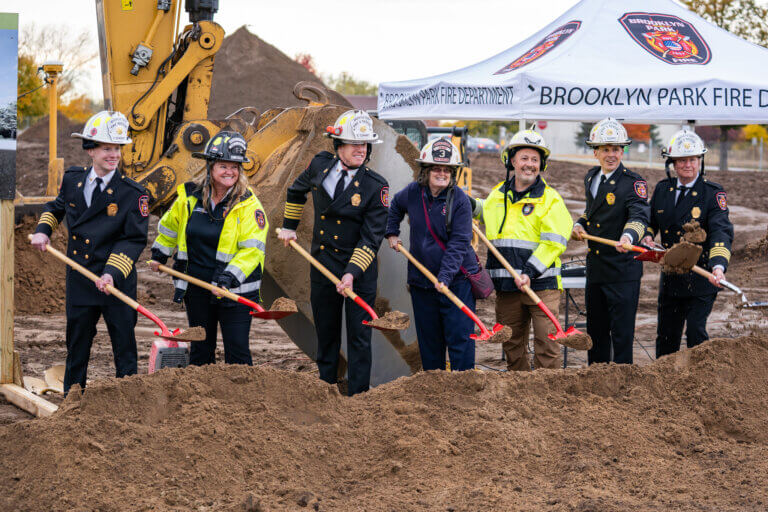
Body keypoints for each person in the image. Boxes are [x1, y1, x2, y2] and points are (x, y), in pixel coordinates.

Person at [30, 111, 148, 394]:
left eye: (118, 149)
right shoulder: (73, 180)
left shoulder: (133, 193)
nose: (114, 155)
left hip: (115, 281)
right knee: (78, 343)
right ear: (91, 149)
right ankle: (73, 400)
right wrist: (44, 229)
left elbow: (133, 239)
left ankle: (128, 400)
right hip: (81, 279)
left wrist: (110, 274)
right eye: (107, 148)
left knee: (124, 346)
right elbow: (56, 207)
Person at [277, 110, 389, 396]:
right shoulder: (319, 165)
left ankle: (359, 394)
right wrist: (289, 227)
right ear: (337, 146)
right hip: (323, 264)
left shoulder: (376, 187)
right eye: (354, 144)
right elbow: (295, 191)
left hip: (358, 272)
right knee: (325, 330)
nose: (360, 150)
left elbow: (371, 239)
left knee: (359, 335)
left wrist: (351, 274)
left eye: (364, 145)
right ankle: (326, 387)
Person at [149, 130, 268, 366]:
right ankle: (201, 402)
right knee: (201, 352)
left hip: (235, 291)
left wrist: (227, 279)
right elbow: (170, 227)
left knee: (238, 353)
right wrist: (159, 255)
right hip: (197, 287)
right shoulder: (189, 197)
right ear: (210, 166)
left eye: (235, 167)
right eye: (224, 165)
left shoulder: (248, 205)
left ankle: (243, 401)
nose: (230, 172)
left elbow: (252, 250)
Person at [471, 130, 572, 370]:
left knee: (547, 344)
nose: (529, 165)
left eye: (535, 160)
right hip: (507, 286)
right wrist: (463, 203)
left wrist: (529, 272)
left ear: (541, 165)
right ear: (512, 161)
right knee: (512, 345)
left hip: (541, 285)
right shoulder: (498, 196)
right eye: (524, 158)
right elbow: (484, 210)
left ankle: (546, 397)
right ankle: (519, 395)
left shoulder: (551, 200)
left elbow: (554, 242)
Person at [385, 138, 477, 371]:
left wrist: (445, 277)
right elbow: (395, 205)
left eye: (447, 169)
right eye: (436, 167)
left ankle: (463, 390)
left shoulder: (461, 202)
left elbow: (459, 243)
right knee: (430, 342)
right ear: (425, 170)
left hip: (455, 282)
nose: (442, 173)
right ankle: (435, 392)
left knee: (460, 341)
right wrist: (392, 232)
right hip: (421, 283)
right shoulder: (413, 193)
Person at [641, 129, 733, 358]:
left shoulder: (712, 193)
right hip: (672, 275)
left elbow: (721, 231)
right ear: (673, 162)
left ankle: (700, 383)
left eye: (692, 159)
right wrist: (648, 236)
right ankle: (663, 382)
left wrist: (719, 266)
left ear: (700, 161)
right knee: (666, 336)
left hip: (703, 275)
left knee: (695, 332)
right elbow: (651, 222)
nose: (687, 165)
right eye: (682, 160)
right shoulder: (663, 189)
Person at [571, 117, 650, 365]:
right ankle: (596, 377)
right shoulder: (591, 177)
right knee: (596, 332)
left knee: (622, 334)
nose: (611, 155)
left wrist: (628, 236)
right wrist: (580, 224)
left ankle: (624, 381)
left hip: (622, 270)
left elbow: (639, 216)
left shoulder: (633, 182)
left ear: (622, 150)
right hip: (597, 269)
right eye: (605, 149)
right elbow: (591, 211)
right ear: (595, 152)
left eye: (616, 149)